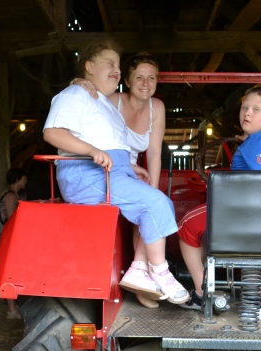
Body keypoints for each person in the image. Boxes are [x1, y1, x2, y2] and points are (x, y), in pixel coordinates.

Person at [42, 39, 189, 306]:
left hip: (109, 173)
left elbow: (108, 142)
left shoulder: (104, 104)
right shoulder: (76, 94)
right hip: (86, 174)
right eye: (109, 63)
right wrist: (91, 151)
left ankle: (139, 270)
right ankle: (160, 272)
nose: (116, 70)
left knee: (161, 203)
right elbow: (52, 133)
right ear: (89, 66)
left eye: (118, 66)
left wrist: (130, 166)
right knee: (154, 202)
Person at [177, 85, 261, 310]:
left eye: (256, 109)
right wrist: (248, 141)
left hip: (246, 212)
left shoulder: (259, 142)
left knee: (186, 225)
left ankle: (202, 292)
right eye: (244, 108)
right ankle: (258, 293)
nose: (247, 113)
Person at [73, 52, 166, 308]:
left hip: (131, 170)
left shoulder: (157, 107)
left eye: (152, 78)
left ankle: (140, 272)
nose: (146, 83)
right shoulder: (112, 100)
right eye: (140, 77)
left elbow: (154, 152)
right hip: (104, 166)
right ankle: (142, 275)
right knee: (149, 202)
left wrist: (154, 187)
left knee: (152, 202)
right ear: (127, 80)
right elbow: (84, 105)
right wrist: (78, 82)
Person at [0, 167, 27, 319]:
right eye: (24, 178)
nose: (26, 180)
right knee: (9, 274)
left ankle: (12, 307)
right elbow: (11, 220)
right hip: (8, 238)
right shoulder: (10, 196)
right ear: (19, 179)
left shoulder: (11, 194)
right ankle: (11, 310)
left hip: (7, 237)